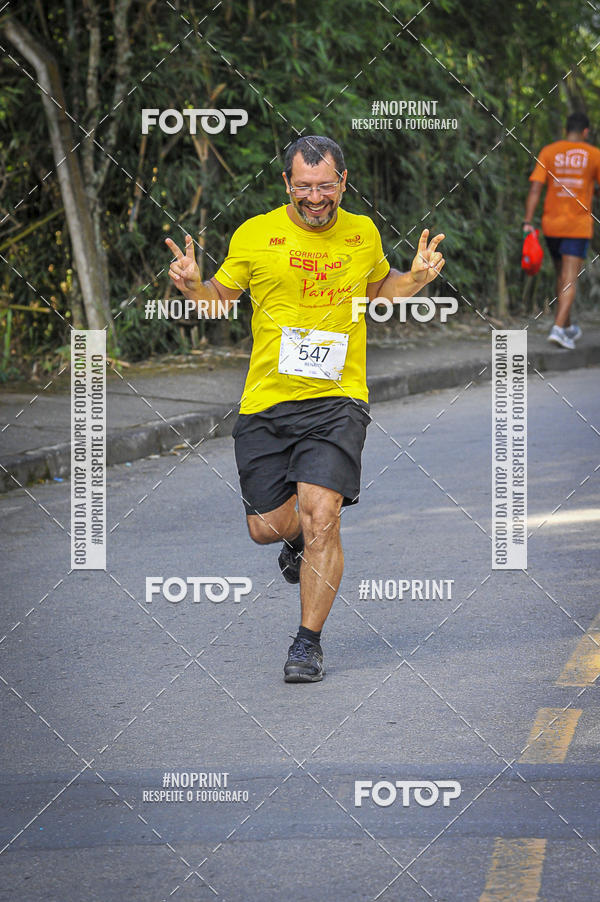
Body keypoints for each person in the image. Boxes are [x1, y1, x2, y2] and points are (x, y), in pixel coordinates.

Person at [165, 135, 445, 683]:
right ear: (287, 185)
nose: (314, 198)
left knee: (322, 514)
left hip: (337, 399)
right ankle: (292, 539)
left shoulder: (362, 232)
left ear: (343, 181)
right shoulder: (255, 233)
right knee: (266, 527)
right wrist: (194, 286)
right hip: (267, 400)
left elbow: (380, 290)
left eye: (325, 186)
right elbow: (219, 301)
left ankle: (306, 643)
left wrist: (416, 279)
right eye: (304, 187)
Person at [524, 112, 600, 349]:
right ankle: (558, 328)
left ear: (566, 129)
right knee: (569, 277)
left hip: (551, 225)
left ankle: (566, 326)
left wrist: (528, 221)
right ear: (586, 132)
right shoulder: (594, 155)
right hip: (577, 226)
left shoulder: (549, 151)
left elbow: (536, 188)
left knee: (561, 275)